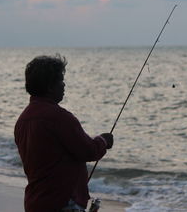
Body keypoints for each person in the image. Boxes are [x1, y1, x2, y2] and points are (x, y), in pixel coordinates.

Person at [14, 54, 113, 212]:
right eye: (60, 80)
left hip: (35, 202)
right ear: (50, 86)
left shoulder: (22, 120)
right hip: (61, 203)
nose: (64, 84)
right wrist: (103, 141)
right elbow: (88, 151)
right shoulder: (59, 117)